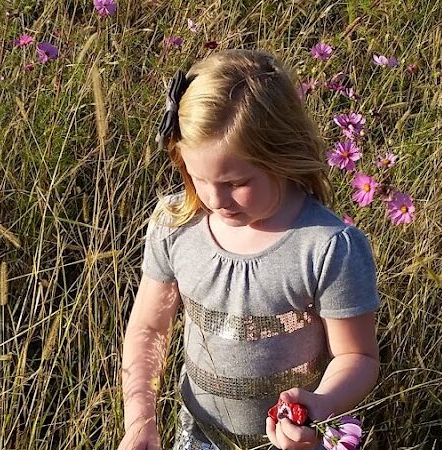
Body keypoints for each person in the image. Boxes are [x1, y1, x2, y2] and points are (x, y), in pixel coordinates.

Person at [118, 49, 380, 450]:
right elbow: (150, 328)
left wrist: (320, 405)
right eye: (197, 177)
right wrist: (140, 420)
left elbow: (358, 357)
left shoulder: (327, 247)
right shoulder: (175, 224)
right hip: (199, 433)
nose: (214, 198)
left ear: (282, 155)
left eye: (236, 181)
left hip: (289, 439)